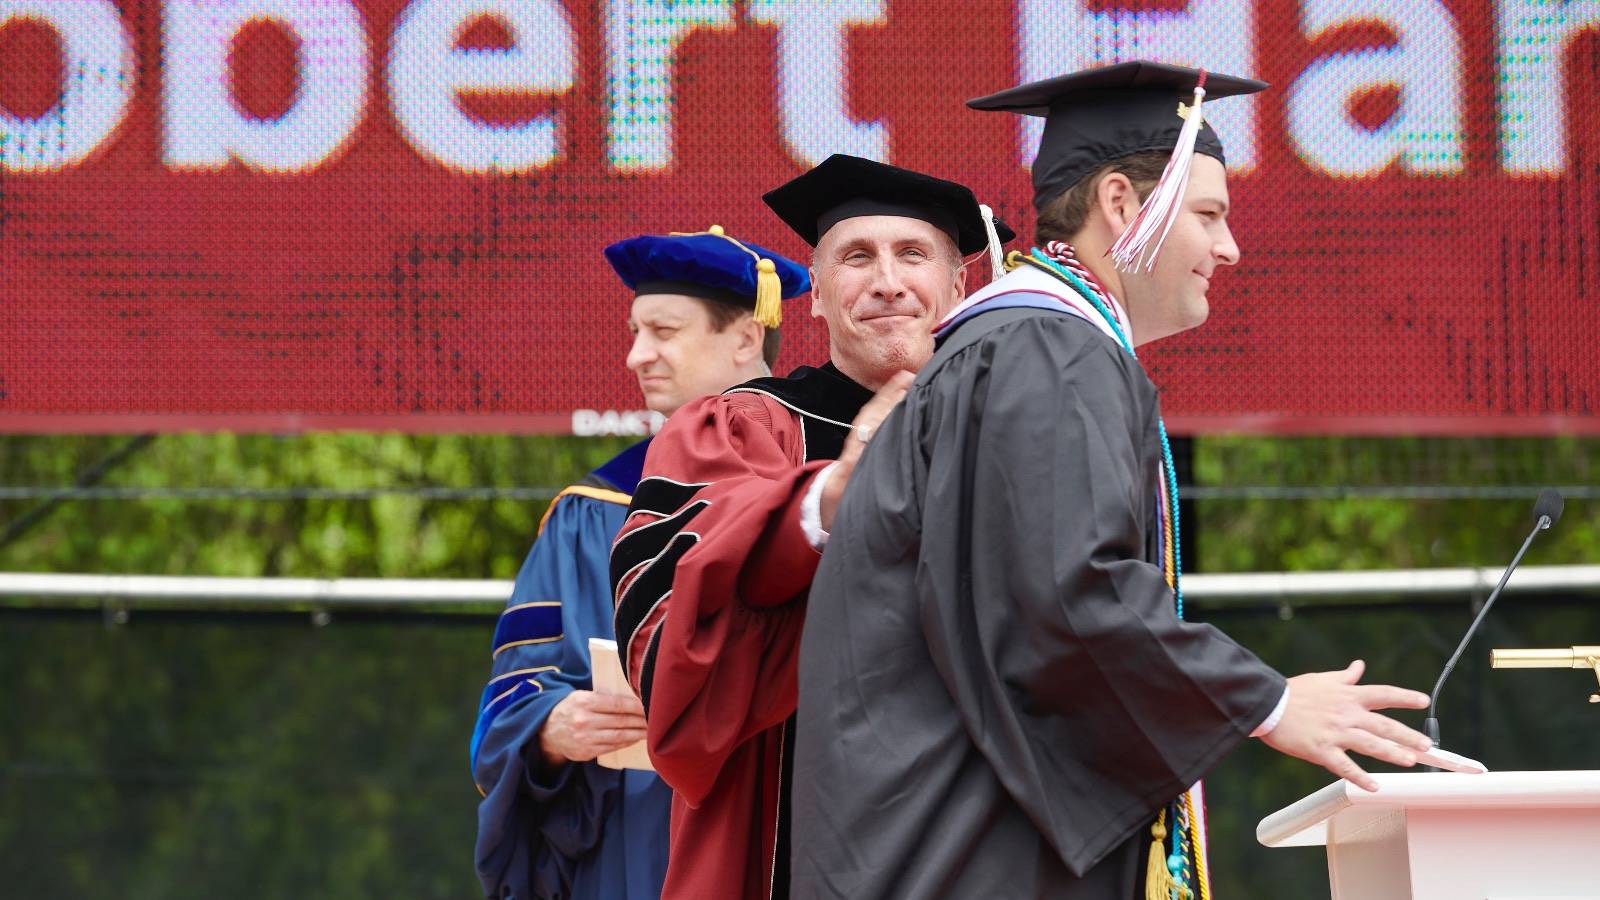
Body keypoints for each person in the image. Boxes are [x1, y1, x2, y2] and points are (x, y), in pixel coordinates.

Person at [792, 61, 1435, 899]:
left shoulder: (1013, 346)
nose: (1229, 248)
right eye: (1208, 214)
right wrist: (1269, 703)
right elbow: (1066, 594)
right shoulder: (1045, 351)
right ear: (1123, 206)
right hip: (959, 853)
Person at [609, 154, 1014, 900]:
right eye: (857, 258)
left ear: (959, 288)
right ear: (818, 296)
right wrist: (826, 504)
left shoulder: (1018, 435)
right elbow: (666, 645)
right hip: (796, 848)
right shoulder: (739, 428)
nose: (888, 280)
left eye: (914, 255)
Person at [470, 225, 809, 900]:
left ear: (746, 337)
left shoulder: (824, 492)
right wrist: (552, 726)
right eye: (634, 330)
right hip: (640, 849)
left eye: (662, 330)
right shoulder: (591, 512)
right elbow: (512, 696)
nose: (635, 355)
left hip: (797, 831)